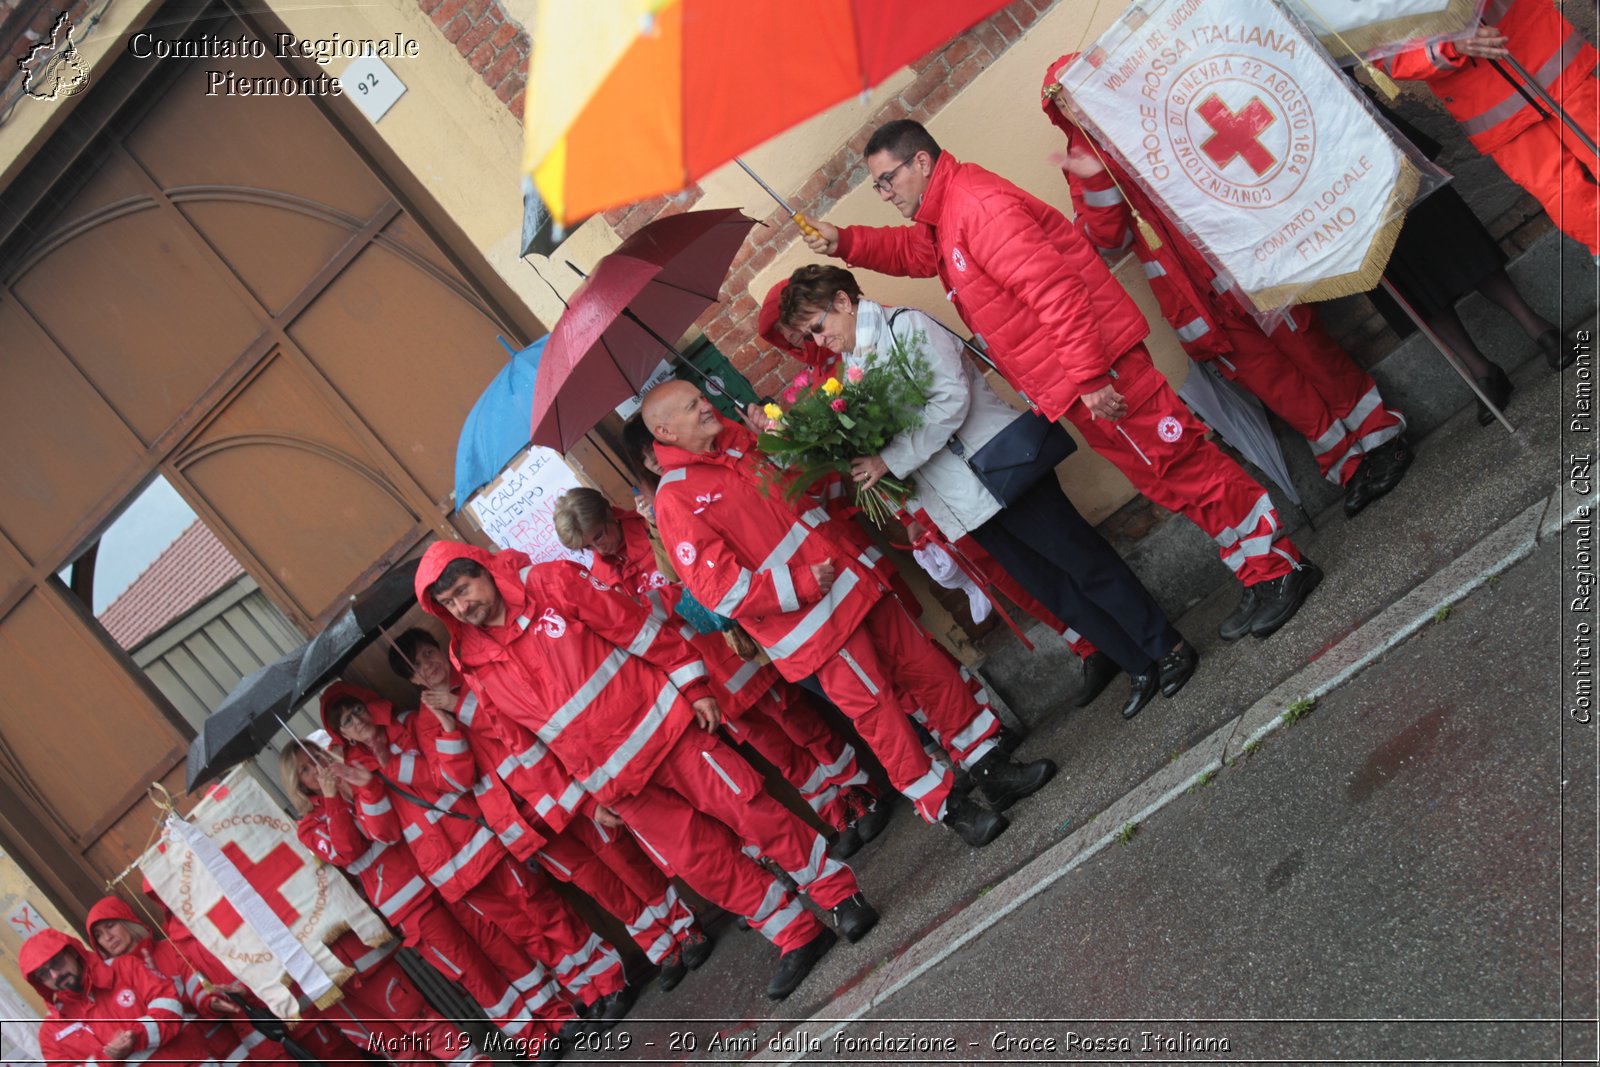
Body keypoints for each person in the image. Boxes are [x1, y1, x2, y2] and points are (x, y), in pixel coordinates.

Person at [801, 120, 1323, 641]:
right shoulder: (947, 216)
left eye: (887, 180)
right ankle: (1257, 569)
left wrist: (1093, 376)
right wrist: (844, 241)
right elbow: (916, 254)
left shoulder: (977, 207)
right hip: (1078, 383)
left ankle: (1281, 568)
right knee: (1165, 479)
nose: (885, 194)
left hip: (1100, 374)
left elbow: (1057, 292)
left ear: (920, 162)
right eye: (877, 186)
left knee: (1184, 466)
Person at [415, 541, 880, 1002]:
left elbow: (635, 628)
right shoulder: (468, 657)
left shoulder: (550, 582)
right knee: (704, 866)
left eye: (464, 589)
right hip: (618, 788)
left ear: (484, 569)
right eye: (450, 602)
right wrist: (581, 800)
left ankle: (840, 895)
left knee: (755, 816)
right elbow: (520, 740)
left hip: (672, 734)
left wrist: (694, 684)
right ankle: (795, 933)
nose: (462, 606)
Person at [641, 379, 1058, 845]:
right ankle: (950, 809)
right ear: (665, 430)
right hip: (815, 627)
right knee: (884, 718)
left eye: (701, 397)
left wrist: (779, 439)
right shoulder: (674, 499)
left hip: (856, 585)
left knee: (930, 673)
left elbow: (816, 494)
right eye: (691, 405)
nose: (705, 406)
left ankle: (991, 767)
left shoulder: (744, 445)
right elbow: (719, 590)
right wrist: (797, 585)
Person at [775, 264, 1199, 718]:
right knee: (1052, 589)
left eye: (818, 328)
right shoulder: (853, 368)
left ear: (843, 302)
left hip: (1001, 468)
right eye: (810, 336)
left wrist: (889, 461)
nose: (819, 342)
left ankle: (1167, 645)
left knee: (1085, 565)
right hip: (961, 501)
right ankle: (1135, 662)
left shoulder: (906, 326)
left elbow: (951, 400)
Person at [1042, 54, 1414, 531]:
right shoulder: (1082, 160)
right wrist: (1093, 174)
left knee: (1309, 348)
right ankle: (1346, 461)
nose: (1078, 105)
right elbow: (1108, 240)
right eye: (1065, 101)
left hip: (1238, 261)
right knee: (1272, 382)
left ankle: (1380, 436)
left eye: (1081, 89)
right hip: (1192, 296)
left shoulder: (1156, 113)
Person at [551, 488, 892, 842]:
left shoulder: (655, 529)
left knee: (801, 725)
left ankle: (859, 791)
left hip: (731, 652)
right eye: (588, 547)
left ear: (610, 513)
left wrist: (652, 605)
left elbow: (695, 581)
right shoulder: (599, 578)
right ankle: (834, 812)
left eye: (599, 536)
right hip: (701, 683)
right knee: (777, 751)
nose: (598, 549)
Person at [386, 627, 718, 991]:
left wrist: (460, 707)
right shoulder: (425, 723)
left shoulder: (476, 677)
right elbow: (457, 780)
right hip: (522, 821)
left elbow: (513, 723)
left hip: (559, 788)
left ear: (439, 649)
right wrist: (448, 723)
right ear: (413, 679)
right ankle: (659, 946)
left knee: (622, 858)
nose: (428, 666)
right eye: (417, 666)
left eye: (429, 654)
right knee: (597, 884)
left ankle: (684, 929)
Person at [319, 683, 626, 1028]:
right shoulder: (358, 771)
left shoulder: (410, 726)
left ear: (369, 705)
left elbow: (451, 777)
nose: (356, 720)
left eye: (357, 710)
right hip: (450, 874)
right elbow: (384, 833)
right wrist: (370, 785)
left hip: (479, 843)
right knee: (525, 934)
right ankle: (585, 990)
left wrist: (391, 765)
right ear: (342, 734)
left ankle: (609, 980)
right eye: (345, 721)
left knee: (545, 912)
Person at [279, 744, 565, 1051]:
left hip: (439, 876)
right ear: (299, 785)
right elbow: (347, 850)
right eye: (305, 770)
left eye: (315, 757)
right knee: (472, 971)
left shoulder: (359, 777)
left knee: (500, 944)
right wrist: (334, 799)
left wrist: (365, 787)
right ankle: (532, 1040)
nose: (316, 767)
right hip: (410, 907)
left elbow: (388, 828)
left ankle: (557, 1015)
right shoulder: (310, 826)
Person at [1354, 82, 1570, 404]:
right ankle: (1481, 370)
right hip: (1312, 187)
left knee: (1447, 232)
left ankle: (1536, 326)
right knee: (1404, 270)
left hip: (1359, 130)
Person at [1376, 2, 1600, 259]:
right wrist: (1449, 47)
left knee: (1564, 185)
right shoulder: (1350, 11)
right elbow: (1390, 58)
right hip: (1494, 105)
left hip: (1545, 56)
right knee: (1562, 190)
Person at [24, 928, 221, 1067]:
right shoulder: (51, 1034)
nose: (54, 975)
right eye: (43, 974)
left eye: (57, 963)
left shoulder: (125, 968)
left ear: (73, 953)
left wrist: (135, 1037)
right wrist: (106, 1058)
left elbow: (169, 1008)